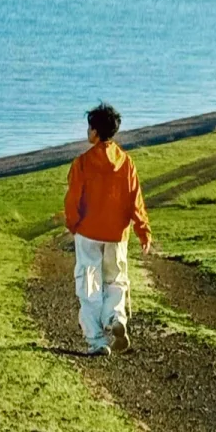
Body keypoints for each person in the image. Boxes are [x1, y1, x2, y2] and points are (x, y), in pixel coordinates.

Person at [63, 102, 151, 357]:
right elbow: (136, 200)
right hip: (117, 234)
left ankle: (96, 340)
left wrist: (73, 224)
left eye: (89, 127)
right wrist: (143, 231)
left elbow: (73, 200)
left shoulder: (82, 163)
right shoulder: (126, 162)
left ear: (95, 131)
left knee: (89, 284)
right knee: (116, 280)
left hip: (88, 232)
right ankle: (115, 316)